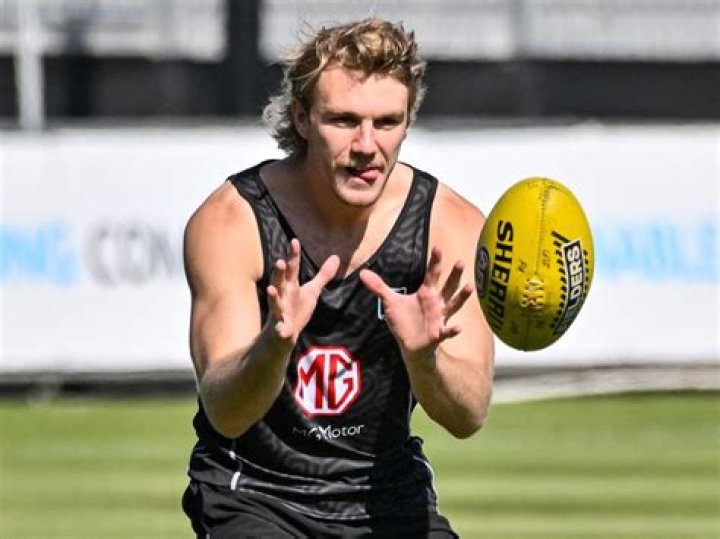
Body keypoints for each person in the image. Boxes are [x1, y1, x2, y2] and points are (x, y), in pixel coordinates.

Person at [181, 17, 495, 538]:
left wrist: (425, 359)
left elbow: (469, 415)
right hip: (255, 496)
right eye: (344, 120)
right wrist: (275, 342)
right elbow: (225, 412)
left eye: (387, 122)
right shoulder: (232, 221)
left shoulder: (451, 226)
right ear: (302, 119)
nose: (367, 145)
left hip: (386, 496)